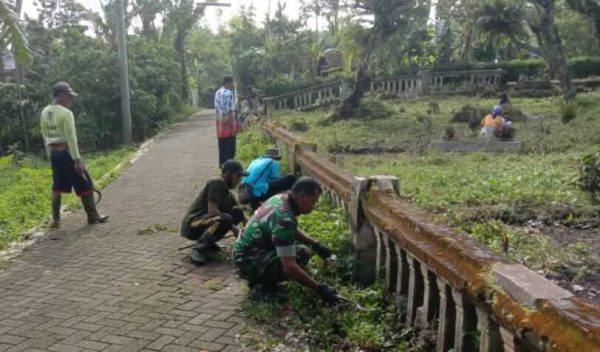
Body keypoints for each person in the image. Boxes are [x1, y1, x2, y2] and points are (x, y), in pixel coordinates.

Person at [233, 177, 339, 304]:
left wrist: (315, 244)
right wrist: (319, 288)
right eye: (313, 201)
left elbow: (290, 229)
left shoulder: (280, 198)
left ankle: (260, 279)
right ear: (303, 196)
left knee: (300, 249)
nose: (314, 206)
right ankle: (262, 288)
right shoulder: (284, 218)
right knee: (301, 254)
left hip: (244, 253)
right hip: (247, 261)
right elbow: (289, 266)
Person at [40, 82, 108, 228]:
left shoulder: (45, 111)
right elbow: (71, 138)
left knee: (57, 186)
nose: (71, 100)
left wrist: (49, 155)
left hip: (54, 155)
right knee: (85, 183)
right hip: (66, 154)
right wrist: (77, 161)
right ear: (62, 95)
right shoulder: (66, 113)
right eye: (69, 96)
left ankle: (56, 220)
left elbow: (45, 135)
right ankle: (93, 216)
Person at [180, 160, 249, 265]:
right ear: (228, 174)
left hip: (205, 221)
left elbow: (242, 215)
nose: (239, 180)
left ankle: (209, 243)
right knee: (225, 218)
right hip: (192, 224)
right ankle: (199, 249)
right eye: (238, 176)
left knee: (237, 212)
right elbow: (212, 211)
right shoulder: (217, 183)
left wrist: (250, 233)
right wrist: (235, 229)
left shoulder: (227, 192)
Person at [214, 76, 238, 167]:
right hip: (228, 121)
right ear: (228, 83)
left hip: (219, 121)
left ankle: (222, 163)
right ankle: (230, 165)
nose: (233, 84)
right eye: (232, 82)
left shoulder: (217, 92)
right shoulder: (229, 93)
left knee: (222, 144)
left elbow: (216, 107)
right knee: (230, 145)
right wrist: (233, 124)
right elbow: (229, 109)